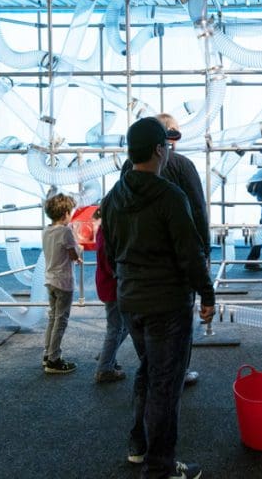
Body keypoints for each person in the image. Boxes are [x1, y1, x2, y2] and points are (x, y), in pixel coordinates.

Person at [100, 117, 215, 479]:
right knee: (166, 386)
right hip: (168, 305)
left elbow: (110, 252)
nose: (168, 151)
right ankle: (161, 468)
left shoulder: (113, 197)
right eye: (165, 145)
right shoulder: (170, 197)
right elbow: (189, 252)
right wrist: (207, 293)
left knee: (148, 372)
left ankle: (138, 445)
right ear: (157, 150)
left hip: (131, 301)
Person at [121, 113, 207, 385]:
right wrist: (204, 257)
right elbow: (198, 211)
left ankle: (151, 373)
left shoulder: (128, 169)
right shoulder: (182, 167)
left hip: (135, 274)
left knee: (146, 338)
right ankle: (177, 373)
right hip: (174, 273)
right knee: (177, 331)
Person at [41, 192, 82, 374]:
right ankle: (54, 359)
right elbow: (73, 255)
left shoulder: (47, 230)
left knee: (52, 318)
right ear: (66, 213)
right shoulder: (66, 231)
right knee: (61, 320)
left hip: (49, 280)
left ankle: (47, 353)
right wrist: (79, 249)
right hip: (63, 282)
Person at [94, 208, 127, 383]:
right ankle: (104, 368)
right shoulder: (108, 233)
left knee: (124, 326)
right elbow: (109, 262)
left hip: (108, 285)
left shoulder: (104, 230)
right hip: (112, 286)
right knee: (116, 327)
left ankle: (107, 354)